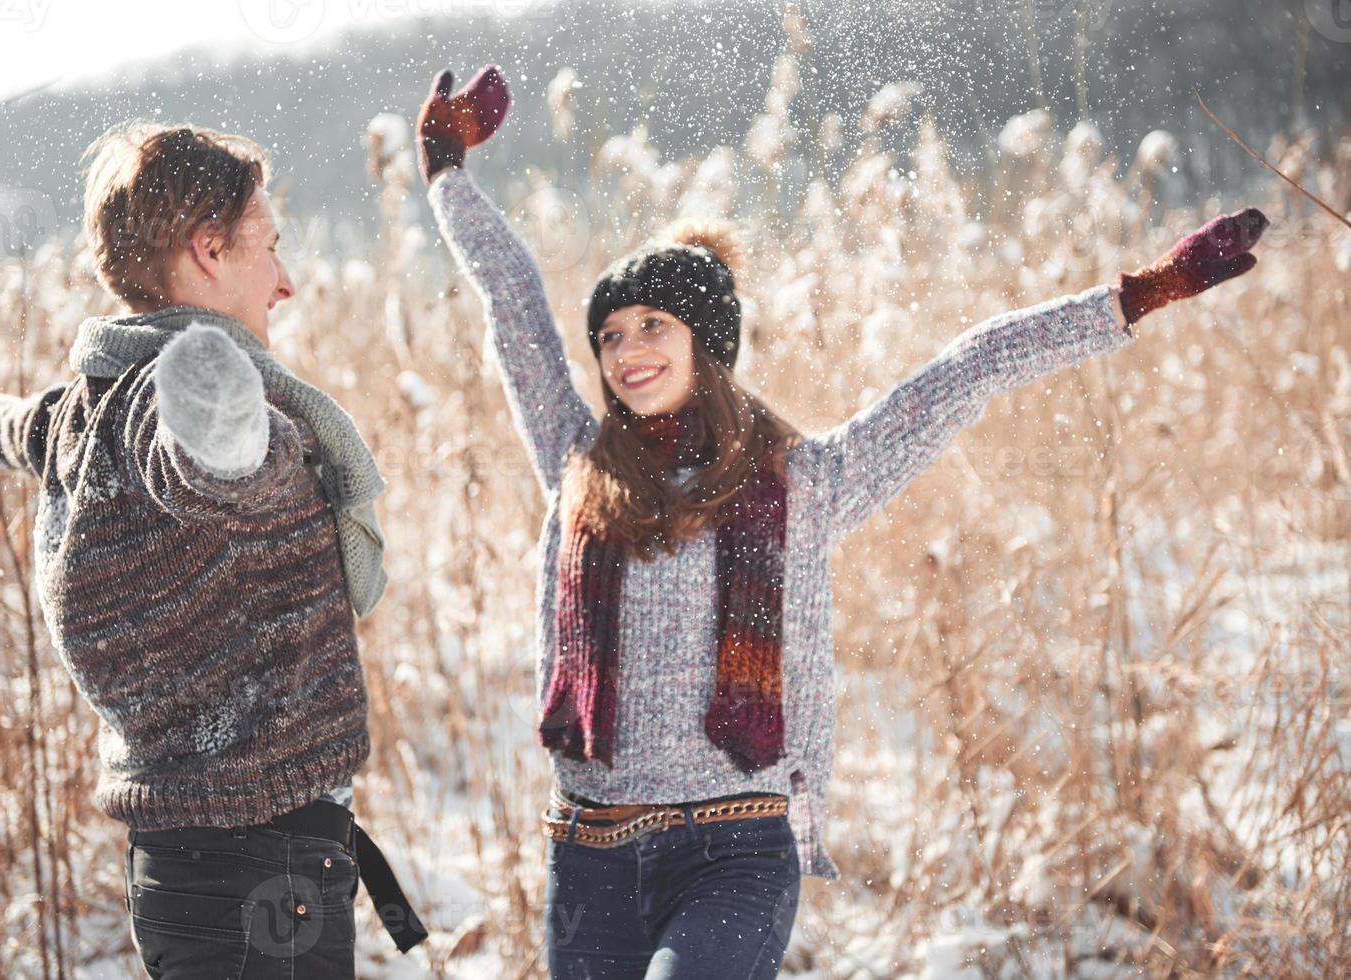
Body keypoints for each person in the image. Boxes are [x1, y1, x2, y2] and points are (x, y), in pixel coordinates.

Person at [419, 66, 1269, 979]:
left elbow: (967, 369)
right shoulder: (576, 465)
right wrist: (444, 169)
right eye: (612, 333)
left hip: (734, 847)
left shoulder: (806, 482)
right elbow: (511, 304)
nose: (628, 351)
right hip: (588, 851)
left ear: (707, 342)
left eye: (654, 325)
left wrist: (1140, 294)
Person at [0, 121, 425, 978]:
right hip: (259, 864)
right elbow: (210, 468)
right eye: (268, 247)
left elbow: (10, 429)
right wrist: (227, 425)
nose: (284, 282)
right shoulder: (169, 405)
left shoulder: (79, 410)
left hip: (180, 862)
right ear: (208, 250)